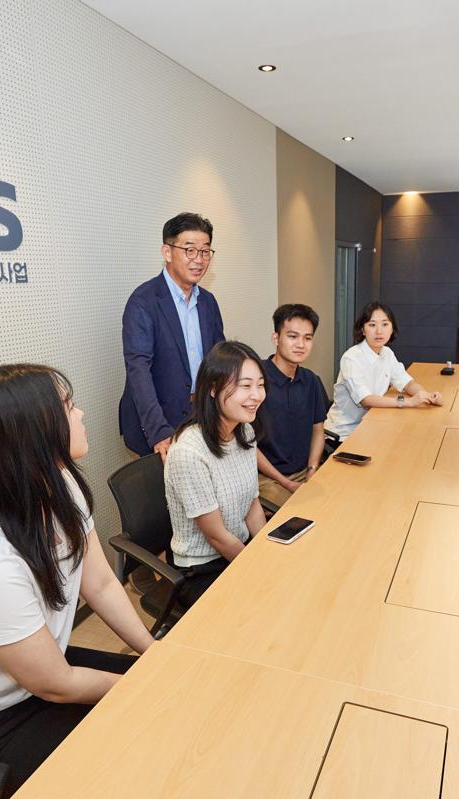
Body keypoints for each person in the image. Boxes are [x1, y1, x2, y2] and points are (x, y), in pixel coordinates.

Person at [0, 365, 155, 797]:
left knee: (162, 701)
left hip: (42, 680)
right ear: (31, 435)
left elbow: (100, 583)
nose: (80, 414)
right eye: (68, 407)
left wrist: (154, 656)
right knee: (137, 749)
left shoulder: (61, 487)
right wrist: (140, 688)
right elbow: (56, 685)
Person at [164, 340, 268, 603]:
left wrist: (267, 550)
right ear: (213, 388)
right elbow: (216, 536)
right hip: (202, 568)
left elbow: (253, 504)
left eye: (260, 385)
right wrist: (259, 567)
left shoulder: (244, 430)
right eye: (245, 386)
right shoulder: (189, 451)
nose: (256, 395)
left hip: (237, 549)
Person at [119, 212, 225, 461]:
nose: (199, 259)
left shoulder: (208, 302)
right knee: (161, 487)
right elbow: (138, 369)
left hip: (200, 416)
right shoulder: (143, 301)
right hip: (158, 421)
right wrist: (158, 431)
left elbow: (219, 361)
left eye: (205, 251)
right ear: (167, 252)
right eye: (190, 250)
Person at [325, 301, 442, 439]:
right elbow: (366, 400)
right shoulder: (351, 358)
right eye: (372, 325)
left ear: (392, 329)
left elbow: (407, 383)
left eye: (385, 324)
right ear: (363, 330)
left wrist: (427, 396)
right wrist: (408, 402)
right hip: (346, 432)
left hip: (374, 422)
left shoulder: (387, 353)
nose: (379, 331)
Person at [255, 304, 329, 507]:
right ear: (276, 338)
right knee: (306, 512)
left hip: (306, 471)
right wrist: (286, 482)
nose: (301, 344)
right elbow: (247, 444)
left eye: (308, 338)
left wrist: (312, 470)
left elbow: (318, 430)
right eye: (293, 336)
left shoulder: (310, 380)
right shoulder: (257, 379)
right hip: (268, 478)